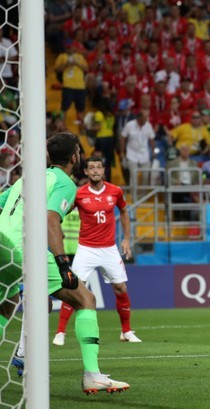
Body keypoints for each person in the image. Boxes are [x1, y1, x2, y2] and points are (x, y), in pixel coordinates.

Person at [0, 133, 128, 394]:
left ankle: (25, 354)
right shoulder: (64, 182)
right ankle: (92, 374)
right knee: (85, 299)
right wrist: (63, 263)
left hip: (2, 244)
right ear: (74, 157)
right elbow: (50, 220)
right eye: (79, 152)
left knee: (9, 305)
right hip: (26, 248)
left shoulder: (26, 178)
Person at [52, 156, 140, 347]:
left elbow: (124, 212)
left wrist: (126, 239)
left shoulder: (115, 191)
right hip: (86, 249)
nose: (95, 171)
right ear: (85, 171)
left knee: (121, 288)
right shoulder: (79, 194)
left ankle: (126, 331)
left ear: (103, 170)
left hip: (109, 249)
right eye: (91, 168)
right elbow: (60, 213)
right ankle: (60, 332)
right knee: (73, 287)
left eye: (98, 167)